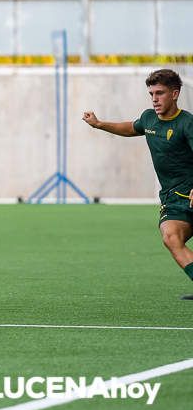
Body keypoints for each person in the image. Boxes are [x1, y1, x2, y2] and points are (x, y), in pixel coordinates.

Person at [83, 69, 193, 298]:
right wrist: (100, 124)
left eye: (160, 93)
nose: (154, 99)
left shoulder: (187, 123)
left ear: (175, 94)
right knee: (171, 237)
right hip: (173, 199)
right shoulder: (149, 118)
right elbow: (132, 128)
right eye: (151, 93)